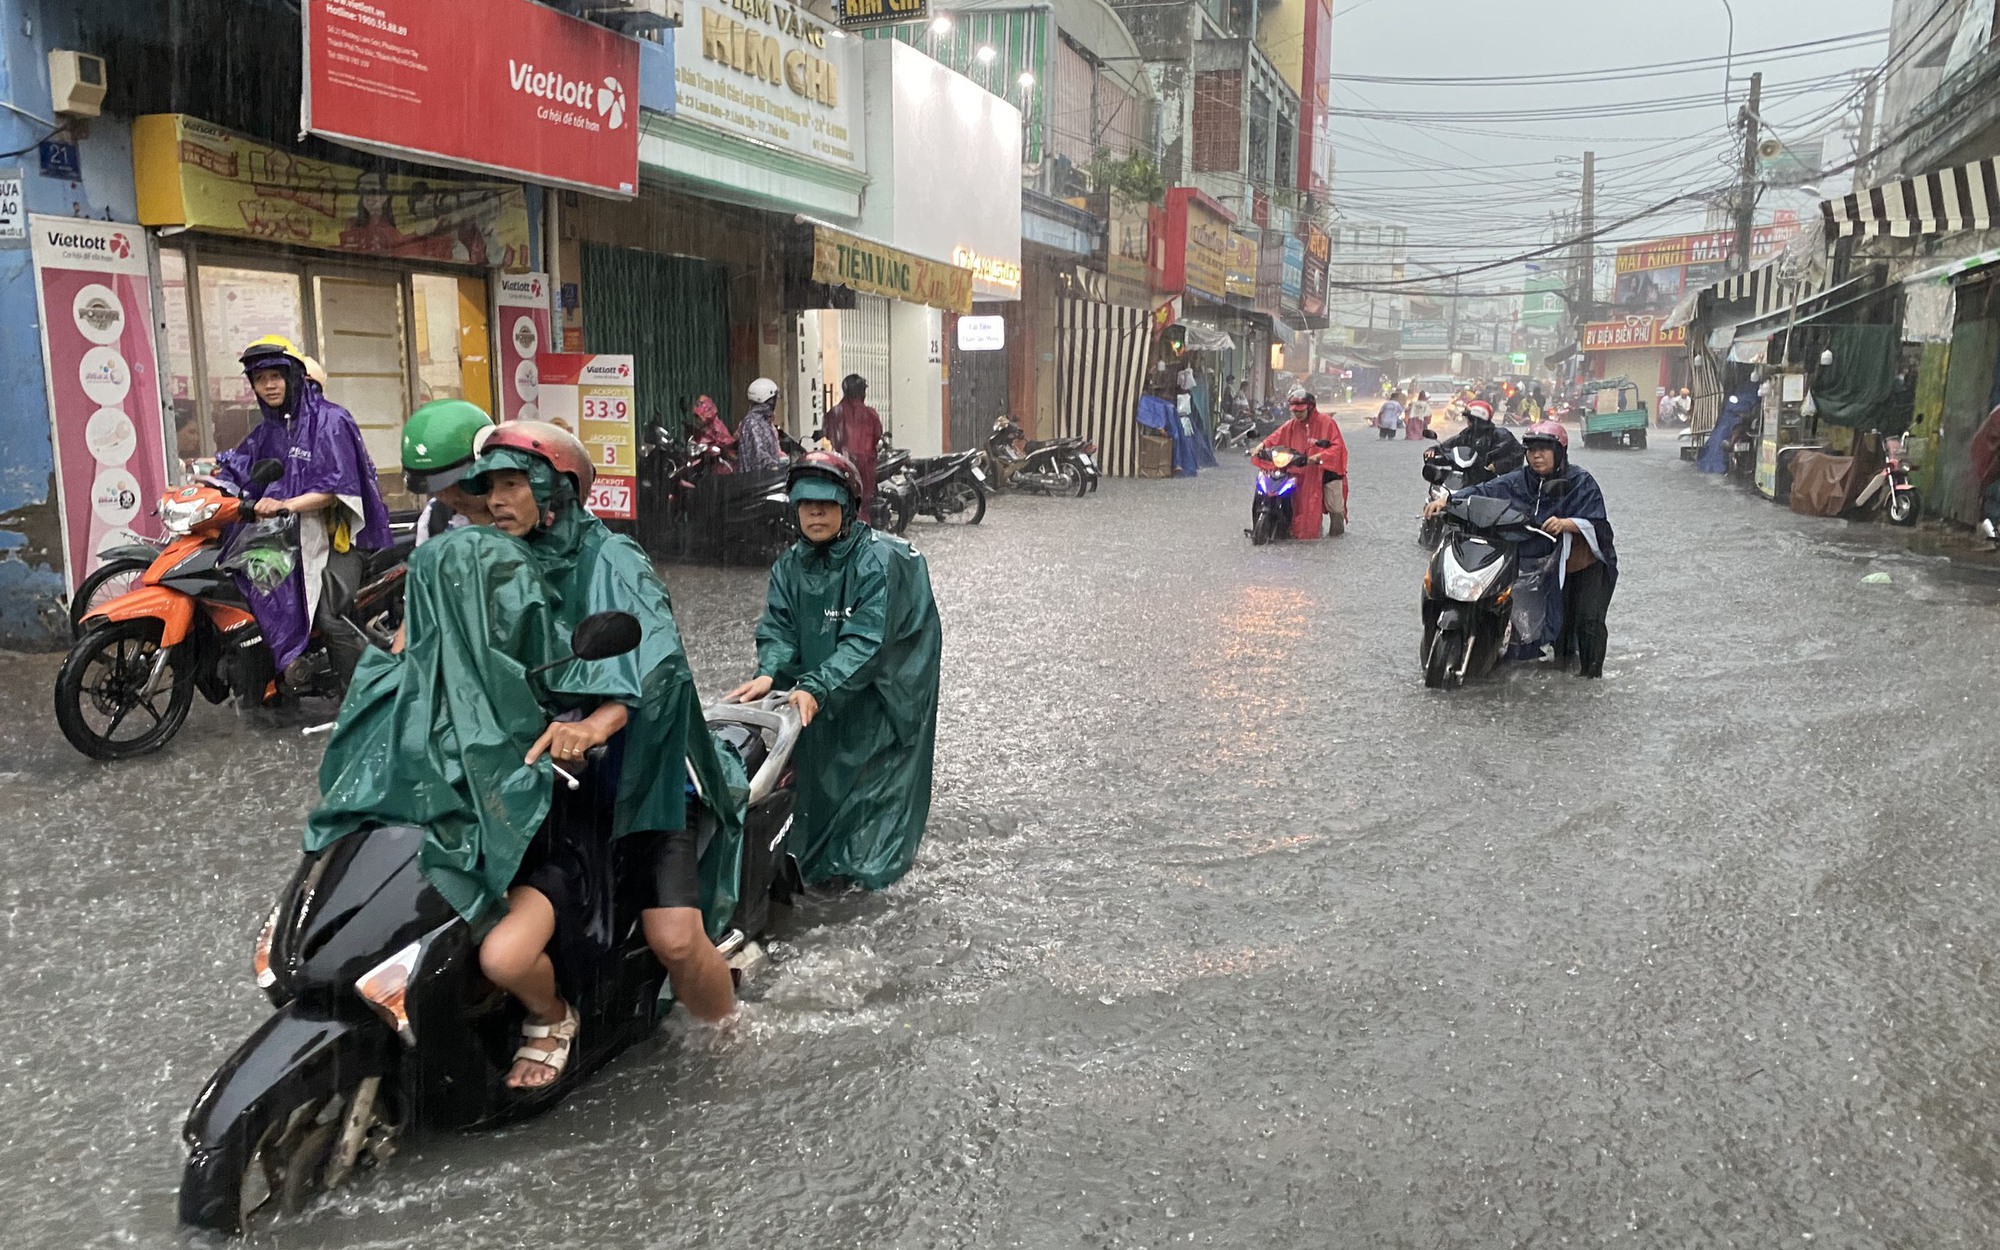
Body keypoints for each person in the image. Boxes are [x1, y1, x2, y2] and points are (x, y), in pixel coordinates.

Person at [311, 421, 747, 1091]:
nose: (495, 500)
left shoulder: (611, 559)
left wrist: (597, 722)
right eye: (487, 487)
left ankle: (730, 1032)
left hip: (641, 773)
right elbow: (434, 644)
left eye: (513, 485)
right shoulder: (491, 553)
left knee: (675, 939)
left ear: (555, 490)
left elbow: (653, 664)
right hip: (545, 772)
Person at [725, 451, 940, 888]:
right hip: (823, 692)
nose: (816, 513)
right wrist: (771, 671)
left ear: (848, 506)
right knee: (822, 778)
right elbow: (780, 628)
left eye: (826, 503)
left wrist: (818, 684)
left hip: (884, 696)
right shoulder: (789, 566)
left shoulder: (877, 561)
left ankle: (865, 874)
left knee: (874, 793)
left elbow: (868, 641)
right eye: (806, 504)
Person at [216, 336, 392, 687]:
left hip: (342, 539)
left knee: (330, 615)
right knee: (248, 578)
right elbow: (242, 466)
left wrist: (286, 505)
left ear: (293, 378)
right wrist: (208, 479)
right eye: (260, 379)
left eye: (275, 377)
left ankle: (361, 697)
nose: (269, 385)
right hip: (293, 536)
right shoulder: (271, 428)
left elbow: (337, 489)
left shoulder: (331, 421)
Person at [1422, 421, 1617, 678]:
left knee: (1586, 621)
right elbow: (1484, 490)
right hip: (1535, 559)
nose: (1537, 456)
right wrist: (1448, 499)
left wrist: (1567, 524)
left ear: (1560, 452)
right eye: (1532, 450)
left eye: (1544, 450)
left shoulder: (1580, 482)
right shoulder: (1519, 480)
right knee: (1554, 629)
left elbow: (1598, 523)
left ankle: (1590, 682)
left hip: (1579, 565)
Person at [1256, 389, 1349, 538]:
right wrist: (1260, 447)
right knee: (1300, 503)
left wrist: (1318, 456)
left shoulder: (1327, 423)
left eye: (1301, 411)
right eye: (1295, 411)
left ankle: (1336, 536)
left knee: (1335, 508)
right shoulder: (1292, 425)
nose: (1297, 414)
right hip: (1303, 470)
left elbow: (1338, 447)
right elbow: (1275, 437)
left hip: (1327, 470)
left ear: (1310, 408)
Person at [401, 398, 495, 545]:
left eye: (457, 483)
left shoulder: (523, 519)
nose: (449, 497)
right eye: (437, 488)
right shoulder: (435, 517)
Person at [1424, 398, 1524, 478]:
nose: (1467, 421)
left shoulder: (1500, 435)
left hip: (1493, 482)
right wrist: (1434, 450)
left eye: (1470, 419)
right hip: (1465, 479)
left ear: (1477, 420)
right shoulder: (1467, 434)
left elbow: (1517, 456)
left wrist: (1496, 465)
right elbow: (1449, 446)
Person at [823, 373, 883, 504]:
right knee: (863, 503)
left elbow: (828, 434)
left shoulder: (835, 413)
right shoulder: (871, 414)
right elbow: (877, 435)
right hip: (866, 466)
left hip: (842, 463)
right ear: (862, 392)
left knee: (843, 500)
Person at [737, 377, 788, 476]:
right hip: (758, 480)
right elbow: (759, 455)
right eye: (773, 399)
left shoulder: (763, 421)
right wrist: (774, 466)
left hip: (767, 478)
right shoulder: (753, 423)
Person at [687, 394, 737, 472]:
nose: (696, 421)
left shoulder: (717, 428)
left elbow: (728, 445)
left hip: (722, 465)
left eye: (698, 418)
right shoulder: (704, 429)